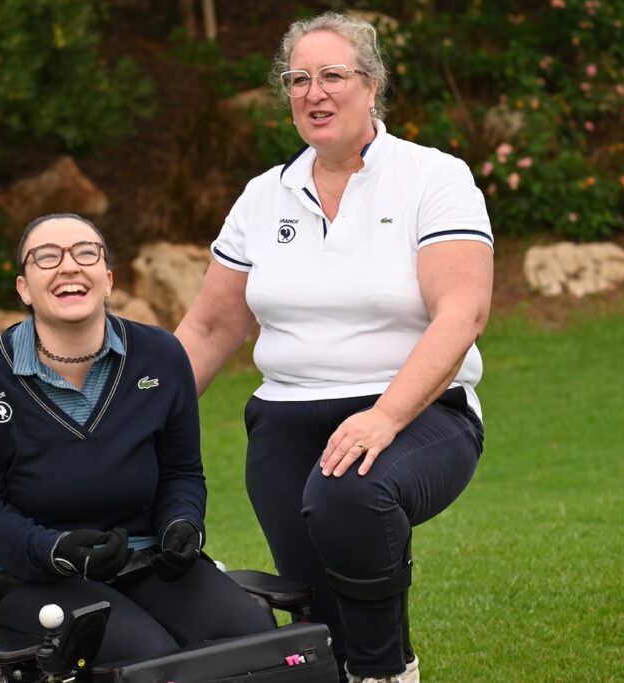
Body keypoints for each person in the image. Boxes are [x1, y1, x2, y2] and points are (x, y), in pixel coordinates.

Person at [175, 11, 493, 683]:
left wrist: (384, 417)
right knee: (322, 616)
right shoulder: (265, 196)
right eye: (297, 80)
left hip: (418, 412)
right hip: (285, 423)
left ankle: (386, 673)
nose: (313, 93)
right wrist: (128, 418)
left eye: (332, 76)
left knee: (349, 492)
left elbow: (461, 314)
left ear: (371, 85)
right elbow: (210, 327)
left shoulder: (433, 178)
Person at [0, 212, 275, 668]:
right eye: (46, 258)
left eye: (85, 253)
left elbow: (181, 473)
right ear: (24, 289)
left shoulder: (160, 356)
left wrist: (182, 524)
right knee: (146, 658)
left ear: (108, 279)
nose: (69, 266)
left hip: (141, 558)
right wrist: (54, 551)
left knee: (253, 636)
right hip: (16, 574)